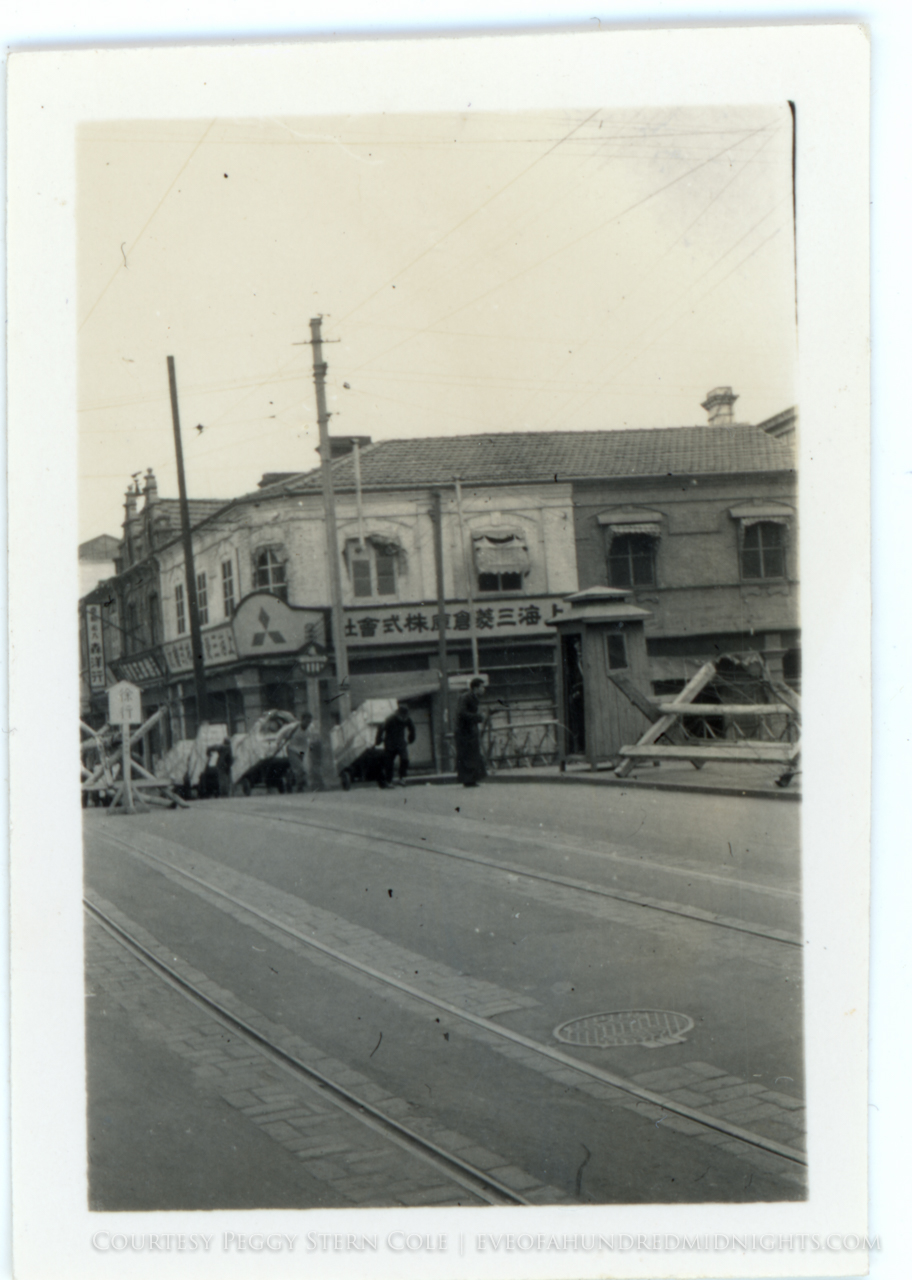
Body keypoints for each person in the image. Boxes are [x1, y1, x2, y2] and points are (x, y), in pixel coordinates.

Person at [454, 677, 488, 787]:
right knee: (466, 756)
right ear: (475, 688)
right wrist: (478, 717)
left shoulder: (474, 698)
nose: (484, 689)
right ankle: (467, 779)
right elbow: (462, 713)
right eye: (482, 687)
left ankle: (471, 779)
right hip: (464, 731)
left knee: (473, 755)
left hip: (470, 731)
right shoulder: (465, 697)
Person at [375, 702, 416, 787]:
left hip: (401, 742)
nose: (403, 718)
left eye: (404, 716)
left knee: (405, 759)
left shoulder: (407, 719)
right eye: (401, 716)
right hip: (390, 743)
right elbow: (381, 728)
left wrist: (411, 738)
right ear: (398, 713)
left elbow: (412, 729)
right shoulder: (390, 719)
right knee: (389, 763)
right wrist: (378, 740)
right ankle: (389, 781)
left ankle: (402, 778)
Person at [285, 712, 315, 793]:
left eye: (309, 722)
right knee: (299, 768)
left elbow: (312, 738)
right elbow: (284, 735)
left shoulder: (311, 728)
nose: (308, 724)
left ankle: (295, 782)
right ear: (302, 720)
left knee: (304, 768)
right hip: (293, 749)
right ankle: (299, 787)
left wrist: (311, 745)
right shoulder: (294, 727)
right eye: (306, 721)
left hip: (302, 751)